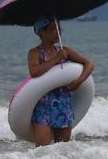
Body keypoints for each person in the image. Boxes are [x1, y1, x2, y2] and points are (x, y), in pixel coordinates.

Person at [28, 18, 95, 146]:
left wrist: (79, 81)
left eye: (59, 28)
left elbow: (89, 64)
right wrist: (56, 59)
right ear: (41, 32)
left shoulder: (65, 51)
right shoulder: (34, 53)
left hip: (63, 105)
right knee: (43, 150)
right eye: (53, 28)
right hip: (43, 106)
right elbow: (34, 72)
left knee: (62, 149)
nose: (58, 32)